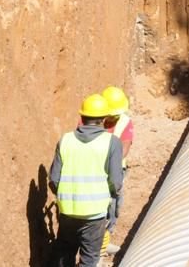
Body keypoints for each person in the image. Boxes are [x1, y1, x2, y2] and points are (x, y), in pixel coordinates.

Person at [48, 93, 124, 267]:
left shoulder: (65, 140)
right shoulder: (111, 143)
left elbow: (54, 180)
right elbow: (116, 182)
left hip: (67, 212)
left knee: (64, 255)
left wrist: (67, 198)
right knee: (89, 259)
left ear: (82, 117)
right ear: (104, 119)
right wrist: (110, 196)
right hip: (94, 214)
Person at [98, 85, 133, 257]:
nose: (116, 116)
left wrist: (111, 167)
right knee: (98, 208)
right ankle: (96, 247)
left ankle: (104, 242)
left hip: (115, 170)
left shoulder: (125, 122)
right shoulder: (93, 118)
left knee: (113, 205)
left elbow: (125, 147)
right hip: (95, 170)